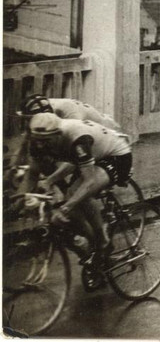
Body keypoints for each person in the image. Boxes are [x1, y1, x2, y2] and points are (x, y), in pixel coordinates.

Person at [18, 114, 133, 288]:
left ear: (57, 135)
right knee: (70, 202)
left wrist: (64, 208)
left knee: (75, 195)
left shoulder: (77, 139)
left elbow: (89, 181)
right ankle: (94, 245)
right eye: (37, 141)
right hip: (88, 156)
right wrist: (18, 200)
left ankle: (102, 243)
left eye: (46, 141)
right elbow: (32, 175)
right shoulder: (39, 141)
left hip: (116, 155)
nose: (41, 145)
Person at [10, 95, 122, 177]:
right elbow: (27, 141)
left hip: (104, 135)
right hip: (86, 134)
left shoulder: (70, 113)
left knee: (78, 176)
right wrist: (12, 168)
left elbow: (76, 141)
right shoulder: (42, 110)